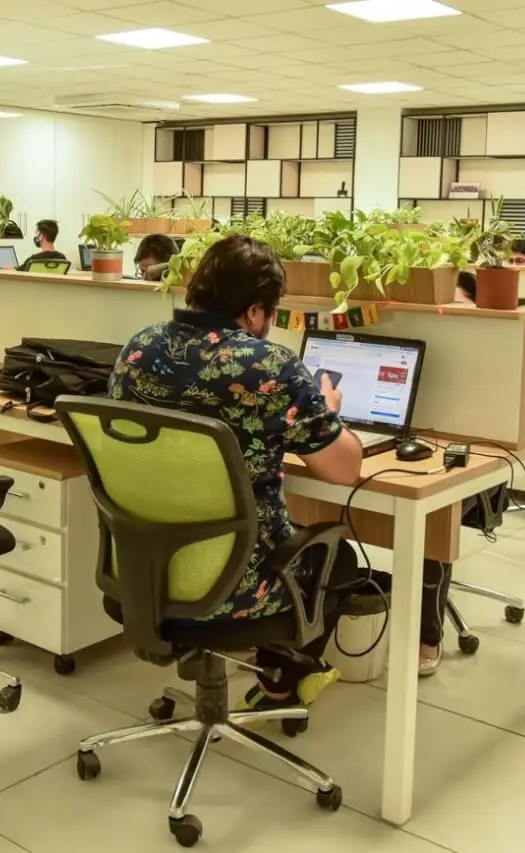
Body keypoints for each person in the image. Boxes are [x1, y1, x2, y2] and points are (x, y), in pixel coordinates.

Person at [109, 236, 439, 715]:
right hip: (237, 584)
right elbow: (344, 468)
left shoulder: (139, 347)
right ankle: (282, 678)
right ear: (255, 312)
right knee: (338, 557)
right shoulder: (269, 366)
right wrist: (327, 411)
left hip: (144, 567)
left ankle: (270, 676)